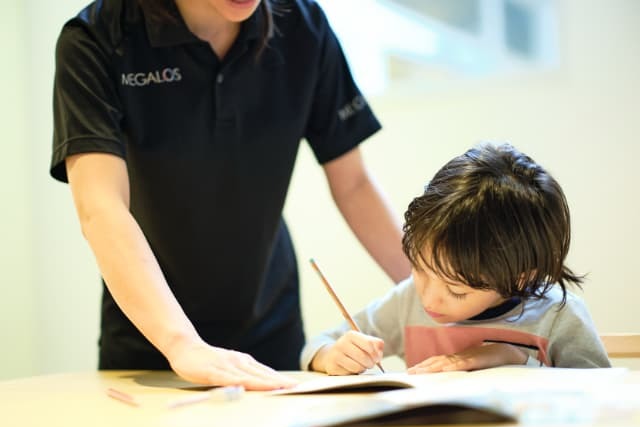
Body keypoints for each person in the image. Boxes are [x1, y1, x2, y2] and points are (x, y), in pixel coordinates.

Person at [50, 0, 411, 390]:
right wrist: (183, 344)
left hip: (271, 329)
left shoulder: (302, 25)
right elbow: (101, 208)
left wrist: (431, 294)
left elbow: (353, 184)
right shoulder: (97, 38)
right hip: (152, 340)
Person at [302, 142, 611, 375]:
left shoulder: (556, 316)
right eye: (420, 269)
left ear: (519, 277)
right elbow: (315, 345)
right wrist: (331, 355)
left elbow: (599, 398)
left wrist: (517, 360)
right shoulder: (407, 301)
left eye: (456, 291)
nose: (429, 300)